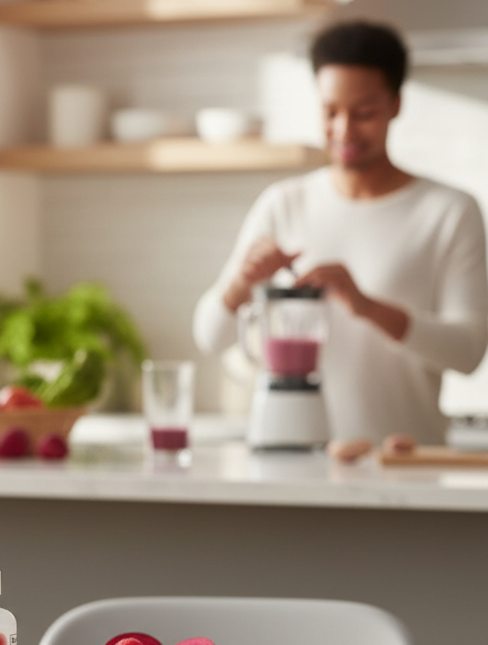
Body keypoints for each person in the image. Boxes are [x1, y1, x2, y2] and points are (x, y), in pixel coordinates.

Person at [193, 20, 488, 444]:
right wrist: (242, 282)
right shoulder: (284, 203)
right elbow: (208, 335)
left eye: (363, 112)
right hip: (297, 462)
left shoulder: (449, 212)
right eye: (330, 112)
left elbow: (469, 351)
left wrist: (367, 306)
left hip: (404, 466)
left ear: (396, 105)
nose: (344, 130)